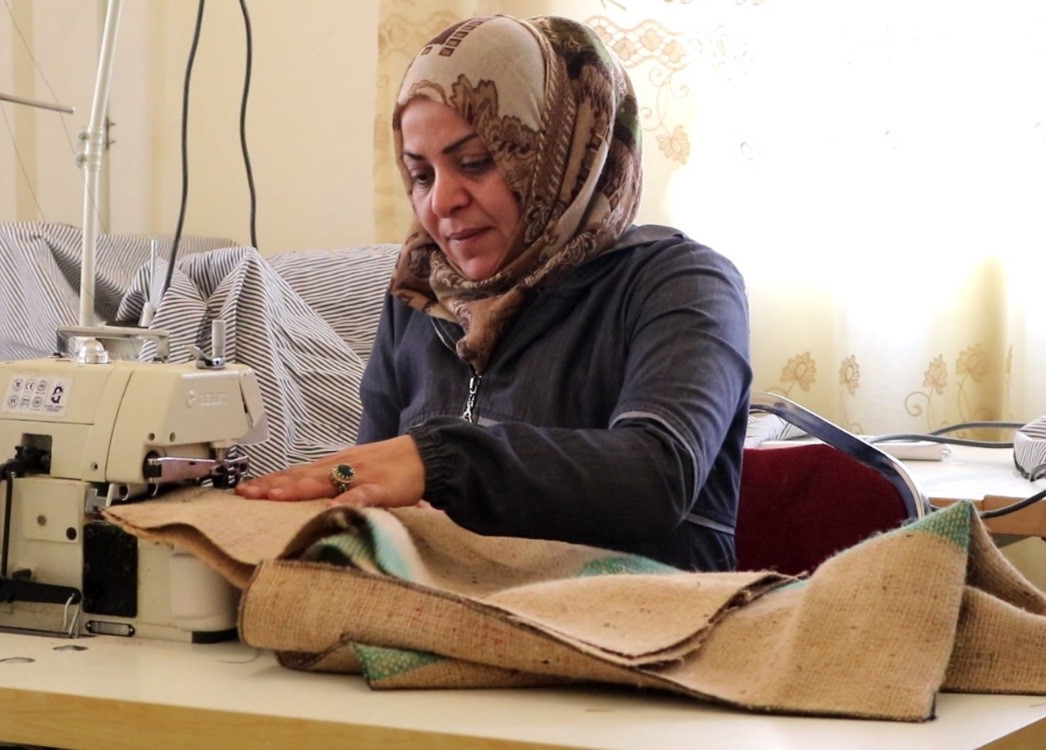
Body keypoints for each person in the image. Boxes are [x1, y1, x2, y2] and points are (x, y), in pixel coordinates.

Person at [236, 14, 751, 572]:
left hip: (638, 636)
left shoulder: (682, 283)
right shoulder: (418, 294)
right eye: (422, 174)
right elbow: (368, 485)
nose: (441, 202)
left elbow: (655, 475)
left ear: (565, 153)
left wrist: (441, 462)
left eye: (477, 162)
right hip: (450, 624)